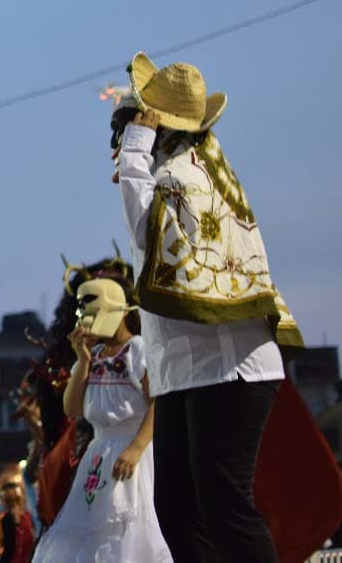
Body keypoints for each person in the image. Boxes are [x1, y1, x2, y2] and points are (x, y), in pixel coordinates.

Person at [113, 52, 302, 563]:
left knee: (224, 507)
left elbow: (147, 238)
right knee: (176, 508)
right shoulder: (192, 171)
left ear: (159, 125)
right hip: (188, 371)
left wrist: (135, 148)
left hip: (227, 368)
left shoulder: (183, 177)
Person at [31, 278, 170, 562]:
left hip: (134, 453)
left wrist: (135, 448)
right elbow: (72, 408)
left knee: (129, 527)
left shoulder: (138, 349)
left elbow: (159, 402)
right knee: (90, 530)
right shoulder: (92, 355)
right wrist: (81, 361)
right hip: (98, 454)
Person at [0, 481, 35, 563]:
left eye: (16, 499)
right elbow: (9, 546)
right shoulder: (5, 519)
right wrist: (16, 523)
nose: (13, 503)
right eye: (9, 501)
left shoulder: (27, 515)